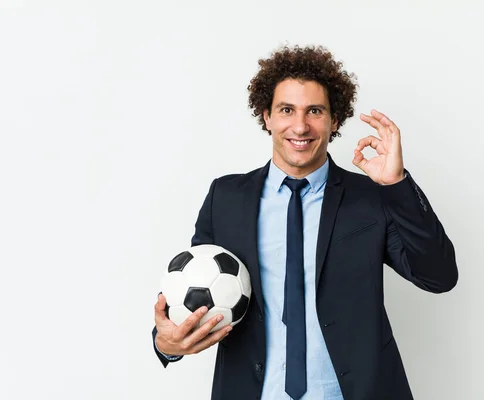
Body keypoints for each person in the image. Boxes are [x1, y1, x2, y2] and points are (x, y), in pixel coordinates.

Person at [152, 45, 458, 400]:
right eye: (286, 110)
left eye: (315, 111)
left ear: (335, 120)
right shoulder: (226, 198)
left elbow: (439, 277)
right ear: (266, 117)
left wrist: (396, 186)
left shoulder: (370, 197)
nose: (300, 126)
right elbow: (194, 294)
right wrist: (167, 343)